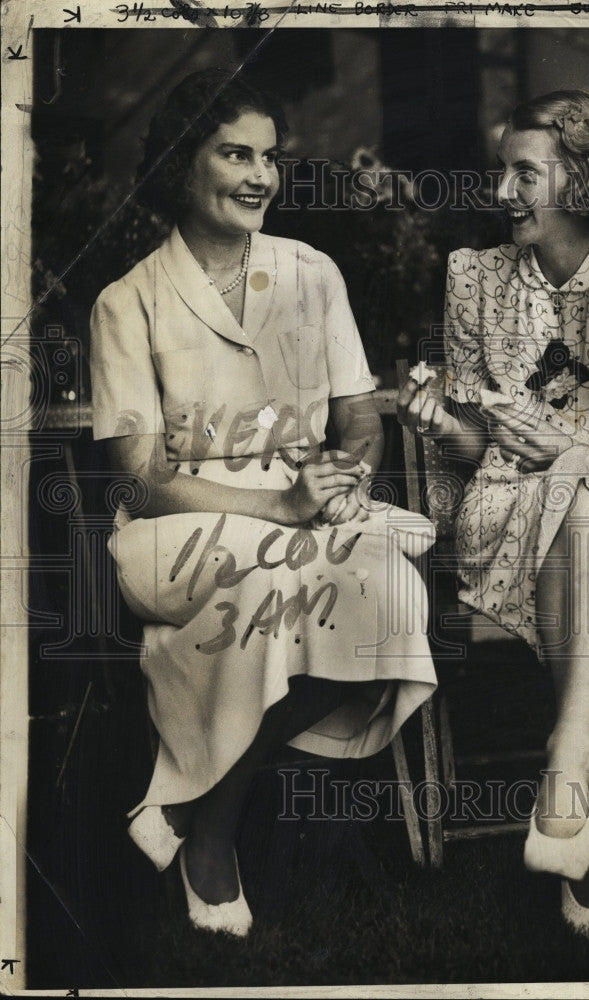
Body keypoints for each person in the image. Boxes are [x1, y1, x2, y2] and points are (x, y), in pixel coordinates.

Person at [91, 68, 437, 937]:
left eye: (269, 158)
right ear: (182, 166)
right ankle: (212, 838)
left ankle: (193, 802)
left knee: (394, 599)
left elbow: (360, 420)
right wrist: (282, 507)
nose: (259, 176)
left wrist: (341, 480)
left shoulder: (310, 273)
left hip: (307, 512)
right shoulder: (126, 302)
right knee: (261, 589)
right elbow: (138, 474)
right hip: (180, 531)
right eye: (234, 153)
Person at [398, 90, 589, 935]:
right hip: (500, 515)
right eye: (502, 172)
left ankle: (569, 778)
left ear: (582, 176)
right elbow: (470, 461)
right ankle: (576, 787)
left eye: (526, 173)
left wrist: (563, 455)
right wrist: (442, 425)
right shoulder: (472, 278)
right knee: (578, 492)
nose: (503, 192)